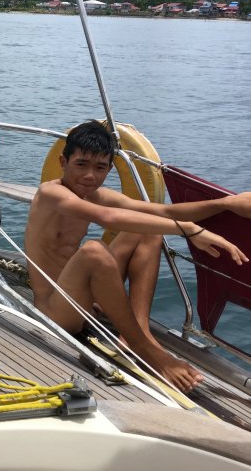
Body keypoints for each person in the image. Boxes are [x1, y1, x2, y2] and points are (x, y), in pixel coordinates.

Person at [25, 120, 251, 393]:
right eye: (81, 164)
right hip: (55, 312)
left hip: (81, 300)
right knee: (94, 250)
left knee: (147, 229)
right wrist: (190, 230)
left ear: (110, 168)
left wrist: (226, 203)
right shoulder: (50, 193)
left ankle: (137, 331)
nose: (90, 176)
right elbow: (107, 217)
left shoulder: (95, 195)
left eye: (100, 168)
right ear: (63, 162)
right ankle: (147, 350)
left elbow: (164, 212)